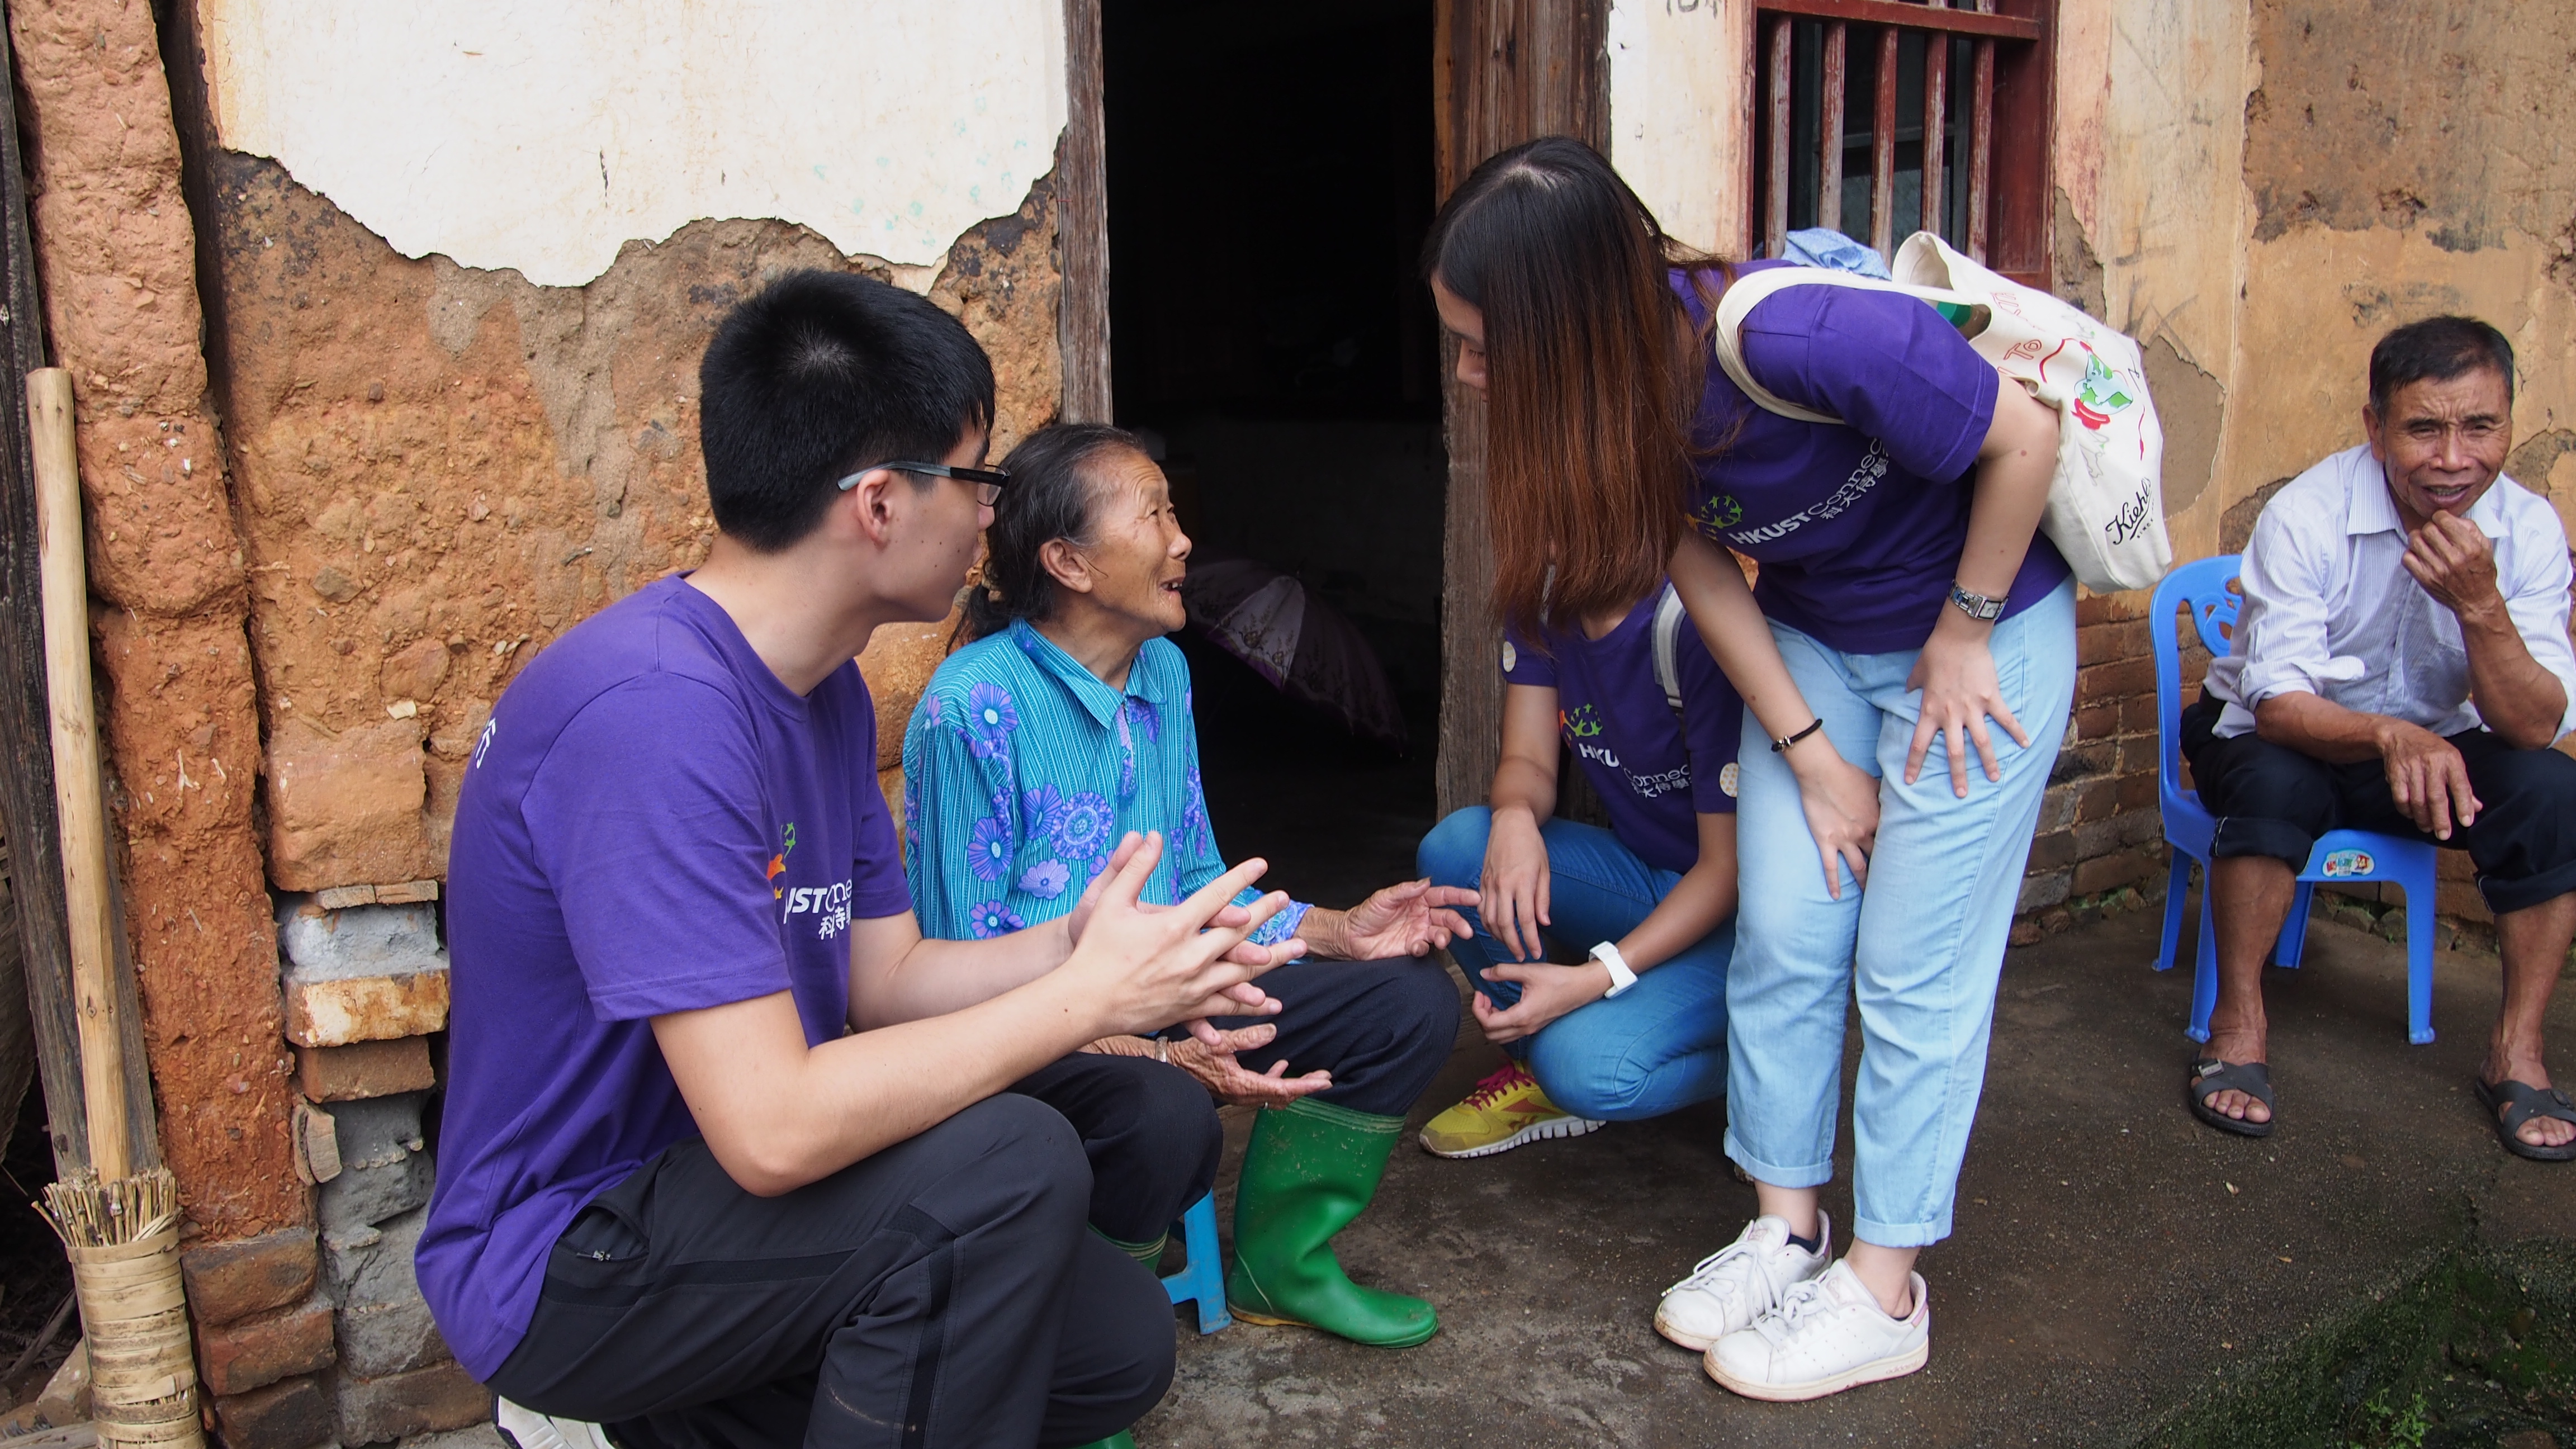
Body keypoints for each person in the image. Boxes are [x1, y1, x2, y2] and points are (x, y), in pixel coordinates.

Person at [420, 271, 1308, 1449]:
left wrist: (1073, 945)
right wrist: (1086, 1000)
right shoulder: (655, 716)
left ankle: (667, 1420)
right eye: (981, 479)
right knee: (1010, 1163)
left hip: (717, 1201)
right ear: (881, 504)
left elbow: (879, 981)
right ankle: (587, 1402)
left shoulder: (823, 691)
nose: (998, 519)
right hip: (573, 1248)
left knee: (1110, 1340)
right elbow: (776, 1127)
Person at [1420, 136, 2073, 1401]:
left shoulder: (1796, 339)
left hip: (1979, 638)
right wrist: (1812, 750)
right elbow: (1702, 561)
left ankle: (1888, 1288)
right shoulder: (1622, 397)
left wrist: (1964, 629)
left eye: (1484, 344)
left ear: (1564, 326)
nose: (1466, 372)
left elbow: (2026, 439)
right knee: (1786, 929)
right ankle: (1786, 1223)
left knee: (1910, 969)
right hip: (1819, 644)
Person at [903, 423, 1471, 1349]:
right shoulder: (971, 708)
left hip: (1163, 989)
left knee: (1405, 1001)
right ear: (1068, 562)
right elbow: (959, 960)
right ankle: (1077, 1341)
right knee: (1165, 1114)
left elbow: (1197, 877)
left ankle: (1280, 1265)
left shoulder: (1161, 669)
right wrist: (1144, 1045)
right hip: (1021, 1028)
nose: (1182, 539)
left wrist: (1335, 931)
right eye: (1154, 514)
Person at [2186, 315, 2576, 1162]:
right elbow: (2280, 698)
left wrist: (2480, 604)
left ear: (2510, 423)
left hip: (2438, 745)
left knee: (2551, 790)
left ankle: (2516, 1051)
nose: (2452, 458)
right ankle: (2239, 1024)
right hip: (2284, 734)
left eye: (2479, 427)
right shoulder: (2308, 514)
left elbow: (2535, 723)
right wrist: (2388, 734)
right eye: (2424, 428)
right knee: (2273, 782)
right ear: (2375, 427)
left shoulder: (2531, 530)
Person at [1411, 573, 1743, 1159]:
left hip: (1744, 921)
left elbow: (1727, 871)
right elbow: (1527, 760)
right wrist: (1514, 815)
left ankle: (1773, 1070)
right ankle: (1538, 1068)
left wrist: (1597, 977)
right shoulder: (1542, 603)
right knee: (1460, 848)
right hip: (1649, 883)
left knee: (1583, 1065)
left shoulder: (1690, 619)